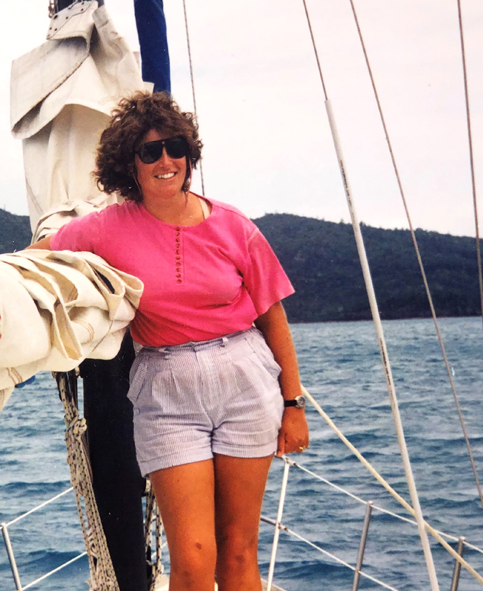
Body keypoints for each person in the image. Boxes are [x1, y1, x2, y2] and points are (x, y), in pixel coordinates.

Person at [29, 91, 309, 591]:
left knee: (239, 553)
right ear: (128, 164)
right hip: (167, 389)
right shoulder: (107, 228)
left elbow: (272, 316)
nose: (166, 161)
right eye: (150, 151)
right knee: (194, 561)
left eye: (175, 147)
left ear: (190, 153)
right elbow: (38, 254)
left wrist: (293, 404)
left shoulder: (233, 226)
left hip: (245, 379)